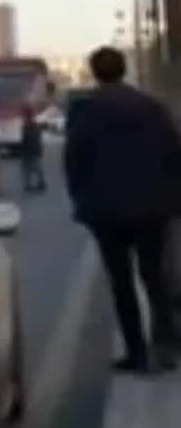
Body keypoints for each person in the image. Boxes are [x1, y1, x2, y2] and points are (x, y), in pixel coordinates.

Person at [64, 46, 181, 372]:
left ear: (95, 72)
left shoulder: (85, 111)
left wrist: (82, 203)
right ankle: (165, 346)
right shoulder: (152, 108)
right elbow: (173, 154)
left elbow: (75, 162)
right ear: (123, 69)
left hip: (107, 212)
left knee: (122, 282)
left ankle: (137, 352)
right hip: (152, 208)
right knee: (154, 277)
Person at [18, 108, 46, 193]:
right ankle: (38, 183)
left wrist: (23, 149)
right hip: (33, 150)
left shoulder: (29, 126)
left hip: (30, 151)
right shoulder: (33, 125)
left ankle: (32, 184)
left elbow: (28, 139)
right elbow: (37, 139)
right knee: (33, 168)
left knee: (29, 168)